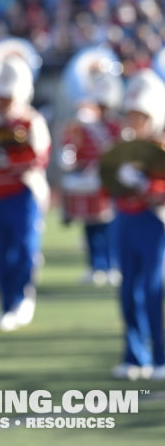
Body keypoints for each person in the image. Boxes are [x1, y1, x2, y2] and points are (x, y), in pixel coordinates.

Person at [0, 56, 51, 332]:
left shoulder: (30, 121)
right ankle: (7, 303)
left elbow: (40, 158)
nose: (4, 100)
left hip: (22, 193)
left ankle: (21, 297)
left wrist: (8, 161)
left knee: (23, 248)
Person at [109, 70, 165, 381]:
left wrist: (145, 184)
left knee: (155, 289)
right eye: (130, 115)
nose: (133, 122)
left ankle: (161, 355)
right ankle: (135, 355)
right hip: (125, 219)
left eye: (139, 116)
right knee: (128, 289)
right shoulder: (123, 147)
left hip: (154, 223)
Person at [58, 71, 122, 286]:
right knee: (90, 226)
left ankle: (110, 265)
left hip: (107, 180)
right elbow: (73, 147)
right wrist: (70, 157)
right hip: (88, 180)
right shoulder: (81, 125)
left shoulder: (116, 127)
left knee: (109, 225)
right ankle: (95, 265)